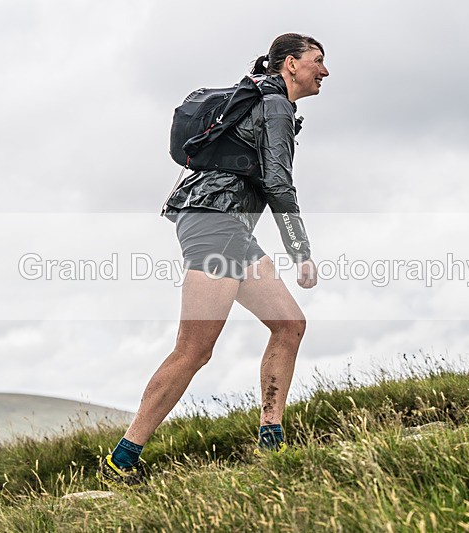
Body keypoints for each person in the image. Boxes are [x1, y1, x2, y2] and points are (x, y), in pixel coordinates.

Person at [100, 33, 329, 485]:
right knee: (194, 349)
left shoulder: (263, 99)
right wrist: (300, 250)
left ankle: (271, 439)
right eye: (317, 61)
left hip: (224, 226)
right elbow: (278, 183)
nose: (324, 71)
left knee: (289, 324)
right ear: (289, 65)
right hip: (216, 224)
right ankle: (121, 460)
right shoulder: (276, 105)